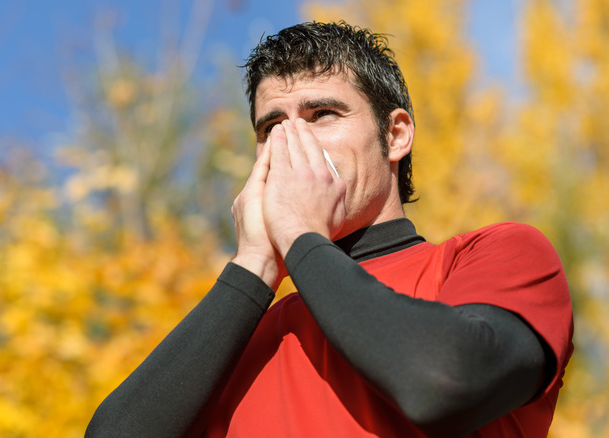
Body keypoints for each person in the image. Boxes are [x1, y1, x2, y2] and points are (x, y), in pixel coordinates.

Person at [86, 21, 573, 437]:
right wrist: (253, 266)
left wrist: (299, 235)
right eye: (271, 127)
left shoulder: (493, 254)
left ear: (395, 134)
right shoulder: (240, 335)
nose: (292, 142)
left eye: (322, 115)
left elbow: (442, 383)